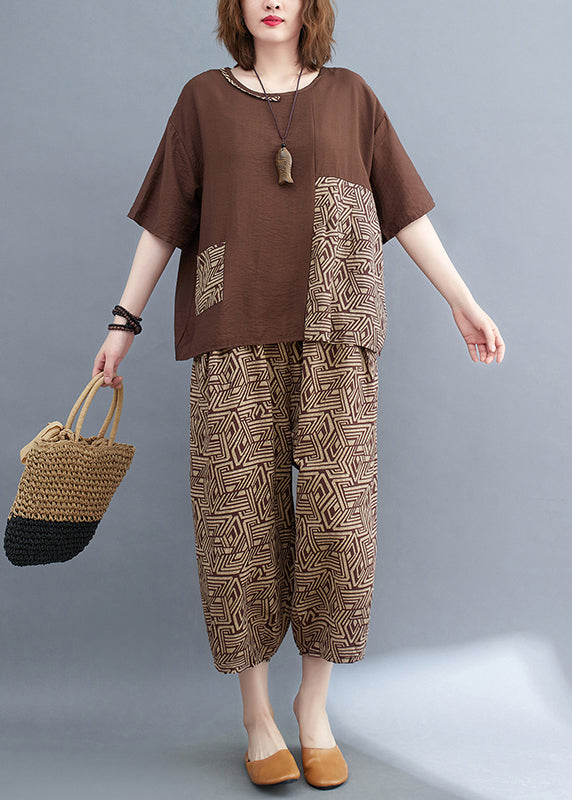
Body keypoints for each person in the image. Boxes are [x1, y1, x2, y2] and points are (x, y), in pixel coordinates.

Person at [92, 0, 506, 789]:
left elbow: (404, 210)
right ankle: (257, 717)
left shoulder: (351, 95)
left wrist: (462, 300)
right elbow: (166, 220)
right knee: (236, 528)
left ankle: (313, 708)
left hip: (337, 334)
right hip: (232, 333)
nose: (272, 1)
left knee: (339, 530)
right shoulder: (202, 99)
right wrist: (123, 321)